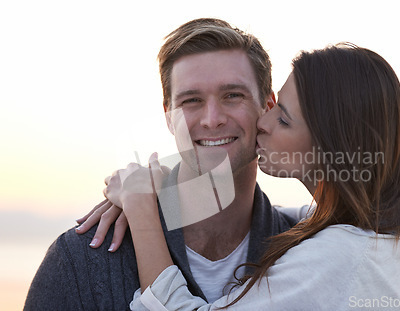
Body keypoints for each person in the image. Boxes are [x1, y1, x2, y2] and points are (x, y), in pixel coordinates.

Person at [104, 43, 400, 310]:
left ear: (331, 143)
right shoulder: (394, 231)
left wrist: (140, 204)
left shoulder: (339, 256)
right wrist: (167, 192)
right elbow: (309, 220)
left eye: (283, 118)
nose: (263, 122)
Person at [24, 18, 302, 310]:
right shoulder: (81, 261)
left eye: (232, 96)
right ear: (169, 116)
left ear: (268, 107)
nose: (212, 118)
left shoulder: (307, 249)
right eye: (192, 100)